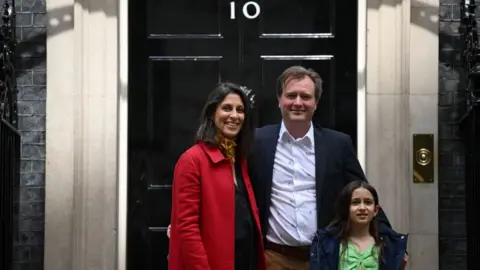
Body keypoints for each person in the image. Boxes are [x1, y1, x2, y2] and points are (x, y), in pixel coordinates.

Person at [248, 66, 391, 270]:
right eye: (291, 95)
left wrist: (391, 242)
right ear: (279, 99)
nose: (298, 102)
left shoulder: (337, 145)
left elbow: (362, 194)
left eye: (305, 96)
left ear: (316, 103)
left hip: (324, 258)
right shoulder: (257, 142)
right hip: (273, 258)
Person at [168, 82, 266, 270]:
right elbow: (187, 229)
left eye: (240, 110)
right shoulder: (192, 160)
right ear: (212, 113)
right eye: (227, 108)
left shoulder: (240, 160)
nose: (234, 116)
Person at [310, 180, 408, 270]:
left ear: (375, 210)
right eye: (355, 202)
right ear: (346, 208)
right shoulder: (326, 243)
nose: (362, 207)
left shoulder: (390, 244)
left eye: (368, 202)